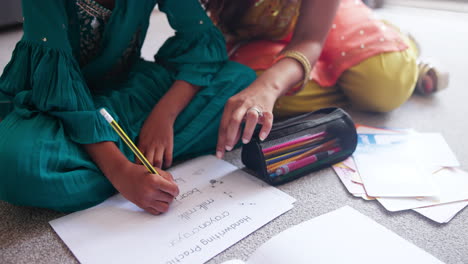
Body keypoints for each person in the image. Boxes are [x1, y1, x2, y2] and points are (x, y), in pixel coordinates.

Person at [0, 0, 256, 214]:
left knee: (241, 84)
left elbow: (200, 38)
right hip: (54, 107)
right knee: (13, 164)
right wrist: (121, 172)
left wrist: (164, 115)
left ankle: (112, 158)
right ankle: (130, 160)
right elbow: (59, 89)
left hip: (124, 89)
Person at [211, 0, 448, 159]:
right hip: (258, 36)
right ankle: (358, 71)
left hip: (323, 17)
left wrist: (270, 86)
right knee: (242, 88)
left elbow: (310, 38)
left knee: (385, 84)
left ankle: (398, 52)